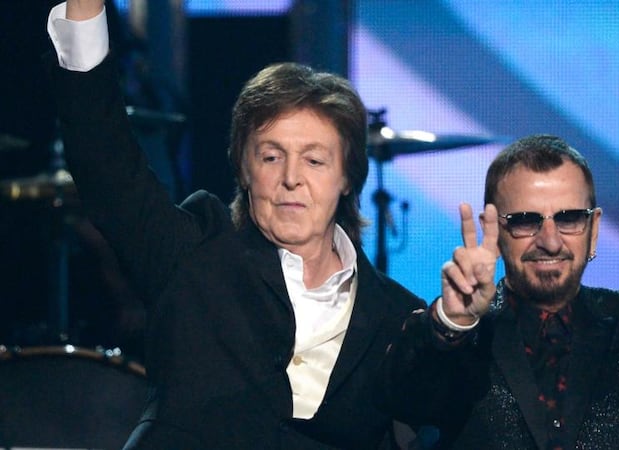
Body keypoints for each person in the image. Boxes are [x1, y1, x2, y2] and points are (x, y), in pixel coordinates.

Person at [44, 1, 424, 448]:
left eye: (315, 160)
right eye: (271, 156)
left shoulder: (398, 316)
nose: (291, 178)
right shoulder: (192, 254)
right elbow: (103, 160)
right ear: (243, 169)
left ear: (347, 178)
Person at [380, 135, 619, 449]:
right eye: (526, 221)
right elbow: (408, 399)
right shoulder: (460, 336)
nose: (550, 241)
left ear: (593, 229)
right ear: (495, 232)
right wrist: (455, 325)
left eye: (568, 219)